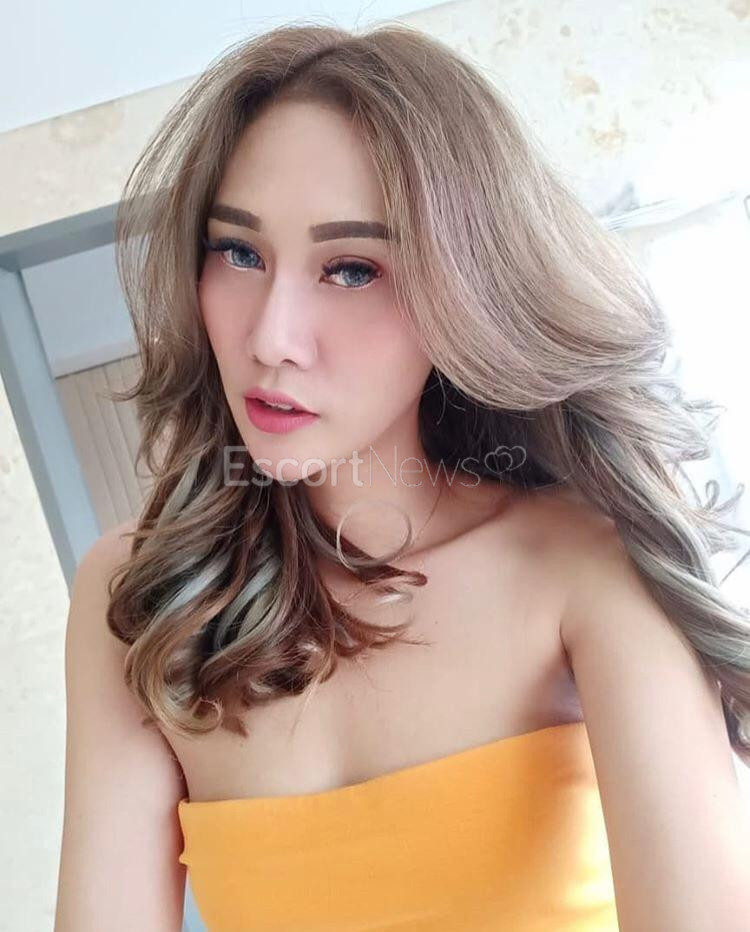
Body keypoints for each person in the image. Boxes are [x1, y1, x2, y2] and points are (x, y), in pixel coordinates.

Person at [55, 21, 750, 932]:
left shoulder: (586, 568)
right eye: (240, 253)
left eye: (351, 268)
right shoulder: (142, 597)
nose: (271, 337)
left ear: (465, 291)